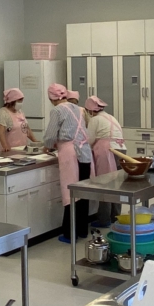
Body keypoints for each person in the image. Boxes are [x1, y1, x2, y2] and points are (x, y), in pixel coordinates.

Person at [43, 83, 93, 240]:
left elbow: (50, 135)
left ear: (52, 98)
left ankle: (70, 233)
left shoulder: (57, 110)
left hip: (70, 153)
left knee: (70, 192)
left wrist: (47, 146)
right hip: (85, 152)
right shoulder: (78, 109)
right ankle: (82, 230)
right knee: (83, 192)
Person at [85, 96, 126, 226]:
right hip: (121, 150)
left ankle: (104, 219)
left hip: (108, 151)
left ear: (90, 110)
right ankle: (116, 217)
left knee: (105, 184)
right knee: (117, 185)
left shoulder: (95, 120)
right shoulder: (111, 117)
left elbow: (89, 139)